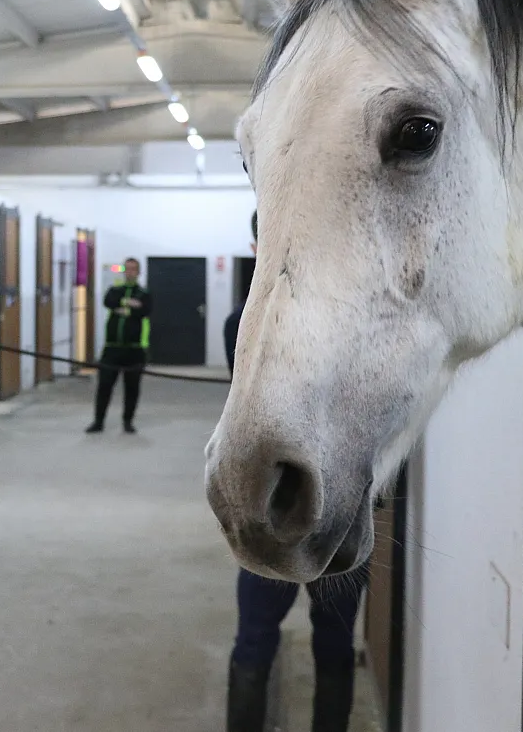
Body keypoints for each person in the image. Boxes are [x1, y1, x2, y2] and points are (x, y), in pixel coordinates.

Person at [224, 212, 367, 732]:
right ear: (258, 242)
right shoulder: (243, 320)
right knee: (256, 640)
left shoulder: (350, 313)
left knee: (332, 644)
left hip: (341, 509)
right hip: (273, 508)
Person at [86, 257, 151, 434]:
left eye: (133, 269)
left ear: (138, 272)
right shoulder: (115, 290)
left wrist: (126, 309)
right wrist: (127, 303)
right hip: (112, 348)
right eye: (127, 269)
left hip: (135, 349)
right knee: (104, 385)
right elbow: (109, 301)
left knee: (132, 388)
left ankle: (128, 421)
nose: (129, 272)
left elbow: (144, 309)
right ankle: (98, 421)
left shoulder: (143, 293)